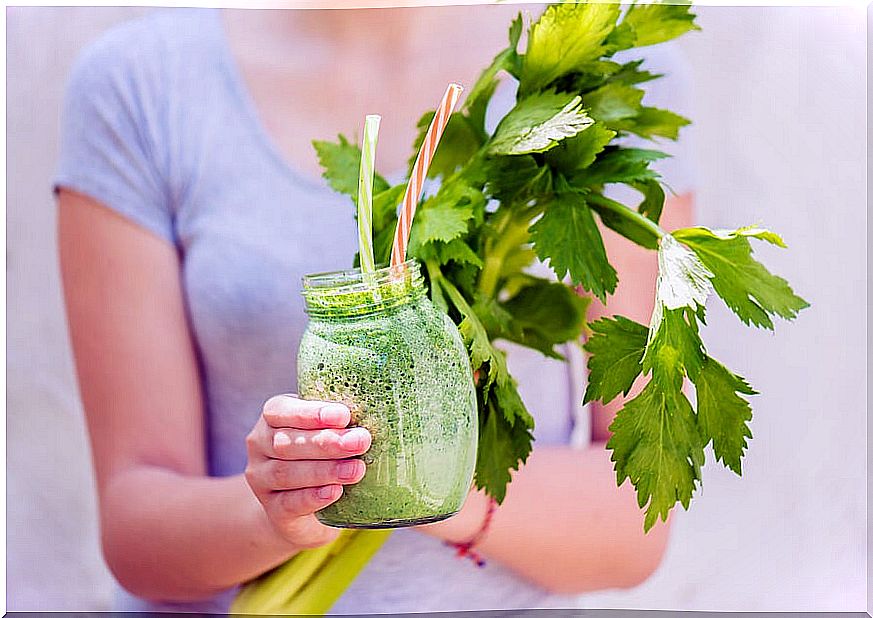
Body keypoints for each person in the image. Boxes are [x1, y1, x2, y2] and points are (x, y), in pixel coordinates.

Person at [55, 6, 693, 614]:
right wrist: (275, 511)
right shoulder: (138, 83)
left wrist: (427, 466)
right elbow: (135, 526)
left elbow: (638, 510)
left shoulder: (603, 73)